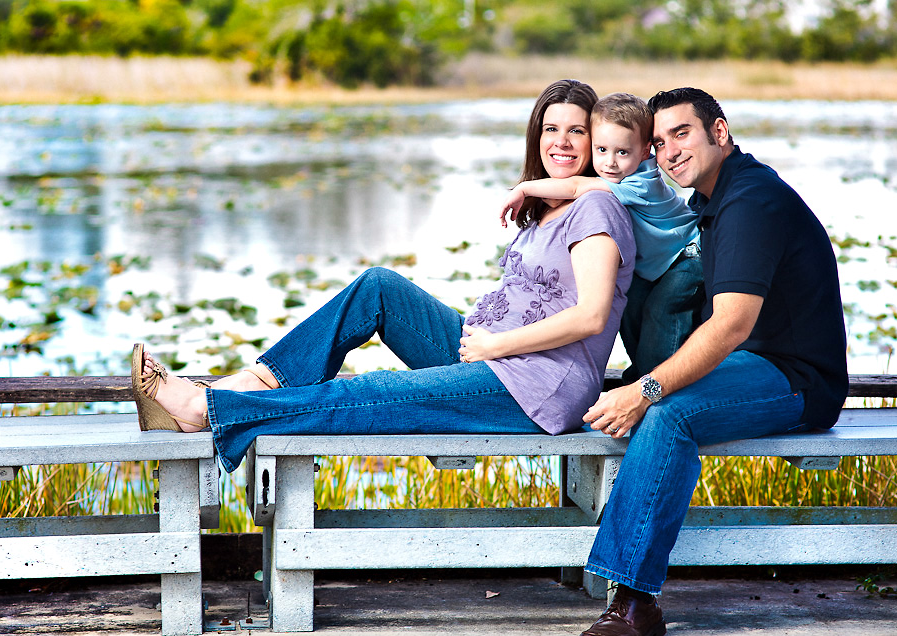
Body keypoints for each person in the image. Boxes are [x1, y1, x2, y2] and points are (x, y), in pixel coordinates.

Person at [131, 79, 636, 476]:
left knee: (372, 392)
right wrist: (489, 345)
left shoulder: (597, 208)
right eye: (551, 129)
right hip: (493, 356)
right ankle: (255, 382)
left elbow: (590, 316)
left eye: (577, 131)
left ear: (598, 141)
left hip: (538, 387)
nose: (563, 142)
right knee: (378, 288)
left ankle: (208, 408)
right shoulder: (547, 207)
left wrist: (498, 348)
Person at [574, 87, 848, 636]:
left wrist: (644, 389)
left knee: (668, 413)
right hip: (755, 364)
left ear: (718, 133)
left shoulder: (749, 201)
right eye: (658, 142)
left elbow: (731, 327)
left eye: (683, 133)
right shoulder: (714, 196)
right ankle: (620, 585)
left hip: (796, 379)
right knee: (660, 402)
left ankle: (633, 600)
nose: (669, 151)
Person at [498, 92, 704, 383]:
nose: (610, 163)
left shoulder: (640, 183)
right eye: (602, 150)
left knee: (663, 312)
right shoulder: (618, 176)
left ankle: (659, 381)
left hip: (687, 255)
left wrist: (525, 188)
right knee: (630, 309)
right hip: (658, 260)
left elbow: (574, 187)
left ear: (646, 151)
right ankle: (641, 372)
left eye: (622, 152)